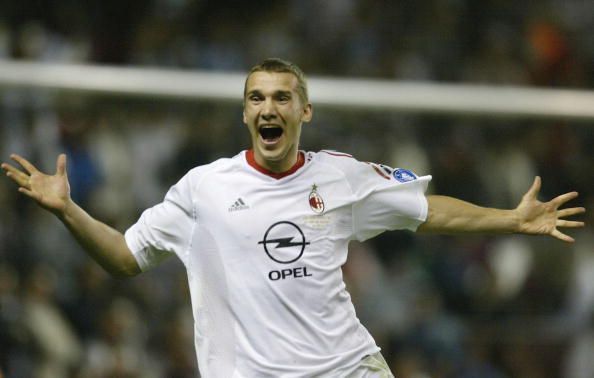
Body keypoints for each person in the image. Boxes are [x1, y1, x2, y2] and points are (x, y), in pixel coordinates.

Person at [1, 58, 586, 377]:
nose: (269, 107)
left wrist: (510, 219)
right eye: (257, 98)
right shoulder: (203, 188)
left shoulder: (341, 175)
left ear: (304, 109)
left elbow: (426, 212)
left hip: (346, 368)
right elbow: (127, 258)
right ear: (245, 113)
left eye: (282, 97)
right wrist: (68, 210)